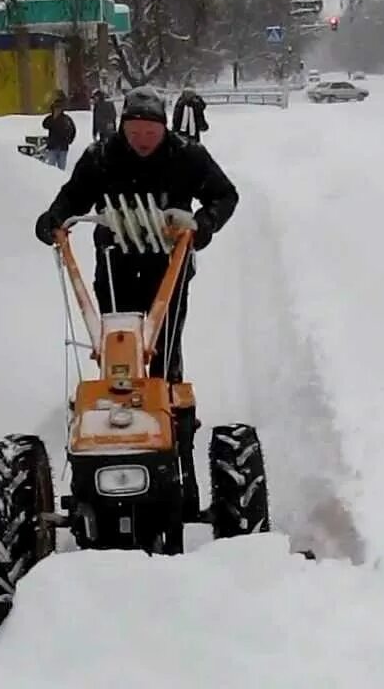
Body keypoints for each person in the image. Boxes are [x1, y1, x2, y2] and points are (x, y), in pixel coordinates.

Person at [33, 85, 238, 520]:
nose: (143, 138)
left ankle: (175, 445)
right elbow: (74, 198)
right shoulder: (101, 156)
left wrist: (204, 223)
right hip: (115, 265)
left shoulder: (186, 155)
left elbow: (225, 195)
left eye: (150, 130)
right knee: (119, 347)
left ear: (162, 128)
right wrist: (54, 219)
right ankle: (115, 430)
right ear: (124, 127)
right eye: (135, 130)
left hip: (170, 265)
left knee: (163, 350)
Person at [41, 95, 76, 170]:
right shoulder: (50, 118)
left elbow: (73, 130)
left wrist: (69, 140)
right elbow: (44, 125)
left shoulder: (66, 119)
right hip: (52, 147)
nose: (57, 110)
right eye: (55, 108)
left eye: (59, 108)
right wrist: (53, 118)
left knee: (61, 168)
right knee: (51, 168)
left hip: (63, 147)